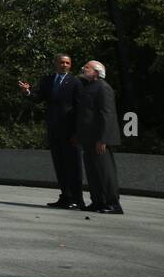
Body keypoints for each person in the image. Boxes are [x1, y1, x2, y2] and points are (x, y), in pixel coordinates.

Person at [18, 54, 85, 209]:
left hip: (70, 131)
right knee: (59, 164)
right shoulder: (48, 80)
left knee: (73, 165)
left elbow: (80, 108)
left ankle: (76, 199)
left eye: (68, 63)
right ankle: (65, 196)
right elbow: (38, 98)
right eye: (62, 62)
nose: (65, 65)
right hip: (54, 129)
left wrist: (78, 132)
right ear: (55, 63)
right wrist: (27, 92)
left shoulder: (75, 82)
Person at [75, 60, 123, 214]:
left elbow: (107, 114)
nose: (83, 69)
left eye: (87, 67)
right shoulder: (89, 87)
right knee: (92, 171)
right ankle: (97, 201)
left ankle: (113, 203)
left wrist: (103, 139)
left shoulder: (103, 87)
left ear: (96, 71)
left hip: (98, 139)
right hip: (88, 138)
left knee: (105, 171)